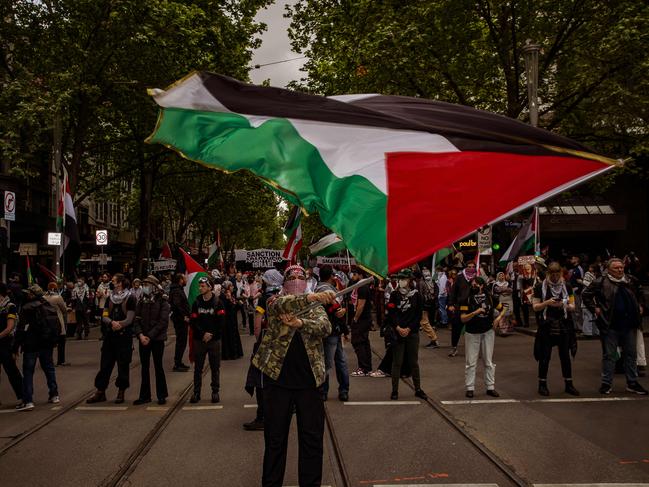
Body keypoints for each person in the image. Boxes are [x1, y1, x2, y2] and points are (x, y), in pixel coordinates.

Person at [252, 265, 335, 487]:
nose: (296, 280)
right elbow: (279, 306)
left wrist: (301, 323)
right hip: (278, 383)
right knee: (275, 440)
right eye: (292, 277)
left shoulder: (315, 306)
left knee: (312, 440)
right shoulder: (275, 300)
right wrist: (311, 297)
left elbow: (325, 327)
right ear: (284, 281)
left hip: (309, 383)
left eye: (301, 277)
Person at [582, 258, 647, 395]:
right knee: (610, 356)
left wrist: (641, 305)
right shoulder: (601, 281)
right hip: (610, 324)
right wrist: (595, 308)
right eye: (616, 268)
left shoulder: (630, 280)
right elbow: (586, 294)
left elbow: (640, 293)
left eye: (621, 267)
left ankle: (632, 382)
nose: (620, 270)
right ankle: (606, 383)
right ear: (609, 270)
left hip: (629, 325)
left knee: (631, 354)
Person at [87, 274, 137, 404]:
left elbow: (130, 318)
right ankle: (100, 391)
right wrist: (111, 323)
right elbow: (104, 315)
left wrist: (119, 324)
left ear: (120, 283)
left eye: (114, 281)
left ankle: (121, 391)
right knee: (105, 364)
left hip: (124, 336)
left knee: (123, 365)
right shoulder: (110, 298)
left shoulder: (130, 298)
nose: (112, 282)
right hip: (110, 336)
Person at [532, 262, 579, 396]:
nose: (555, 276)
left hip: (563, 324)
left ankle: (569, 384)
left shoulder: (567, 286)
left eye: (557, 274)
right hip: (546, 325)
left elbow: (573, 306)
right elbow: (535, 307)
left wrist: (563, 304)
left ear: (561, 273)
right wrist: (547, 303)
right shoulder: (540, 287)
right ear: (548, 274)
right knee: (544, 356)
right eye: (552, 274)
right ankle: (542, 384)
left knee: (565, 356)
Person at [15, 285, 60, 411]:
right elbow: (56, 325)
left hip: (31, 345)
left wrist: (16, 346)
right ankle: (54, 394)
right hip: (46, 343)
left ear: (32, 295)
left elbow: (21, 329)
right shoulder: (48, 306)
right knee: (49, 369)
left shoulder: (26, 308)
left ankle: (28, 400)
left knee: (28, 372)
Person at [387, 269, 427, 401]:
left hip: (412, 333)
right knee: (396, 362)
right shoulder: (394, 295)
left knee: (413, 362)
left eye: (403, 278)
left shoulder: (417, 296)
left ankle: (418, 388)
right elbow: (391, 313)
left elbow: (418, 316)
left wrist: (409, 328)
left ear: (410, 280)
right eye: (400, 279)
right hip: (398, 333)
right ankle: (394, 390)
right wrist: (398, 327)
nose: (401, 281)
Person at [460, 277, 501, 398]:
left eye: (476, 284)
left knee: (488, 361)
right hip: (472, 333)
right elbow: (462, 318)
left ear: (482, 285)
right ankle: (470, 387)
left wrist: (498, 319)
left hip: (488, 331)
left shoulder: (490, 297)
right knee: (471, 362)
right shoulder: (466, 299)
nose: (474, 286)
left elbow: (504, 308)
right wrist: (474, 313)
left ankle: (490, 386)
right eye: (472, 284)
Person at [132, 275, 169, 405]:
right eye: (144, 284)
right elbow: (136, 319)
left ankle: (161, 395)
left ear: (154, 286)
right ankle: (144, 395)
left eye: (147, 285)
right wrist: (140, 335)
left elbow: (163, 321)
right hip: (144, 339)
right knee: (144, 367)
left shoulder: (162, 301)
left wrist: (149, 336)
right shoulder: (141, 301)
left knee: (158, 366)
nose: (145, 287)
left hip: (157, 339)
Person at [316, 266, 350, 402]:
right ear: (331, 276)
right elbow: (335, 310)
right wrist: (345, 329)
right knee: (329, 363)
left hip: (333, 330)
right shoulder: (327, 291)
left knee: (338, 361)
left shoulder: (317, 289)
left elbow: (337, 311)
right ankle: (328, 391)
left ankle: (340, 391)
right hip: (330, 331)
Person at [190, 277, 225, 403]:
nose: (200, 288)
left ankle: (215, 391)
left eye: (203, 286)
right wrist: (202, 334)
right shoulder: (197, 302)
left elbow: (221, 322)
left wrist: (211, 334)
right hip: (199, 340)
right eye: (200, 286)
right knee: (198, 368)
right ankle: (196, 392)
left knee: (215, 367)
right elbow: (193, 321)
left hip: (214, 340)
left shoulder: (218, 303)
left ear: (210, 287)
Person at [0, 283, 23, 405]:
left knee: (12, 371)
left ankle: (23, 396)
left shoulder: (10, 307)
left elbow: (10, 327)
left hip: (6, 344)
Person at [448, 261, 477, 357]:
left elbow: (482, 290)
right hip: (460, 306)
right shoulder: (459, 277)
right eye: (469, 266)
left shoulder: (477, 278)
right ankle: (454, 348)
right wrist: (451, 304)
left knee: (473, 328)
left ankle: (473, 349)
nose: (471, 268)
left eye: (473, 267)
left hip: (472, 307)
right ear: (466, 267)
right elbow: (453, 292)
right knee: (456, 328)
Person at [349, 268, 373, 376]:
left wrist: (355, 318)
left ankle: (363, 367)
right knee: (364, 342)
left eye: (354, 274)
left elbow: (361, 305)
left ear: (360, 275)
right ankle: (367, 367)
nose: (352, 277)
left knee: (358, 342)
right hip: (364, 319)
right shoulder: (360, 286)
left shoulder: (362, 287)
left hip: (362, 319)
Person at [169, 273, 191, 372]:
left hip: (180, 319)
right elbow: (177, 305)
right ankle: (177, 364)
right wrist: (184, 316)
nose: (186, 280)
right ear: (180, 280)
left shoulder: (178, 289)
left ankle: (179, 362)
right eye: (185, 278)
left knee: (181, 341)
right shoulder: (177, 291)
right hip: (180, 320)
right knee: (181, 342)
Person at [44, 282, 69, 366]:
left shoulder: (43, 297)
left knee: (49, 344)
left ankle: (48, 360)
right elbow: (64, 310)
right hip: (58, 320)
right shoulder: (58, 297)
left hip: (47, 322)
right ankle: (61, 360)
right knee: (61, 342)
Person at [417, 268, 439, 348]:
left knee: (424, 322)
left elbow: (420, 295)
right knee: (425, 322)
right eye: (426, 275)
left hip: (426, 306)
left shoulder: (422, 283)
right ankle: (433, 339)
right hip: (429, 305)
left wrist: (421, 305)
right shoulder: (429, 282)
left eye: (428, 274)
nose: (427, 276)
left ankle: (434, 340)